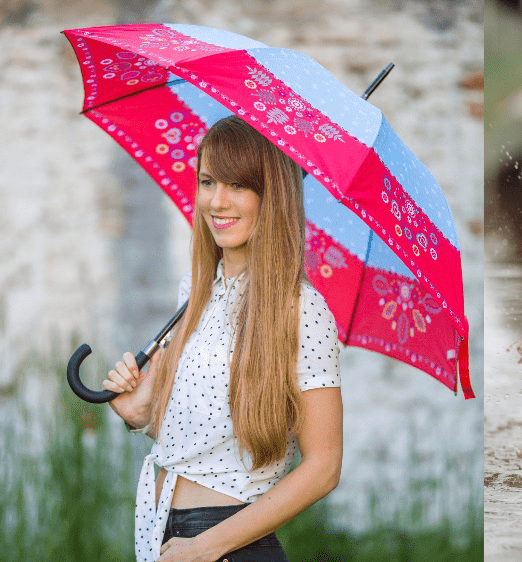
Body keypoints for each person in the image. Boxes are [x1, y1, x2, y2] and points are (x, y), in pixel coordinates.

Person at [102, 116, 343, 562]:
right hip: (164, 532)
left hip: (227, 544)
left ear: (271, 196)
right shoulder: (195, 294)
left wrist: (204, 547)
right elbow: (210, 437)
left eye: (238, 185)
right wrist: (141, 416)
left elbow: (323, 467)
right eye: (208, 181)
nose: (217, 201)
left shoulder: (299, 308)